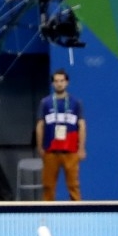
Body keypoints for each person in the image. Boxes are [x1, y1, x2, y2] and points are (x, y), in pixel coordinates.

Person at [36, 69, 85, 201]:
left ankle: (78, 215)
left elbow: (82, 125)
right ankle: (47, 214)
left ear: (67, 82)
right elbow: (40, 125)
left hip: (71, 151)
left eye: (62, 81)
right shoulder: (45, 103)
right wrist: (40, 147)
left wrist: (81, 148)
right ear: (52, 84)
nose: (59, 84)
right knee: (48, 186)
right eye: (56, 81)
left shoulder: (76, 103)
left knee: (74, 186)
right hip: (50, 150)